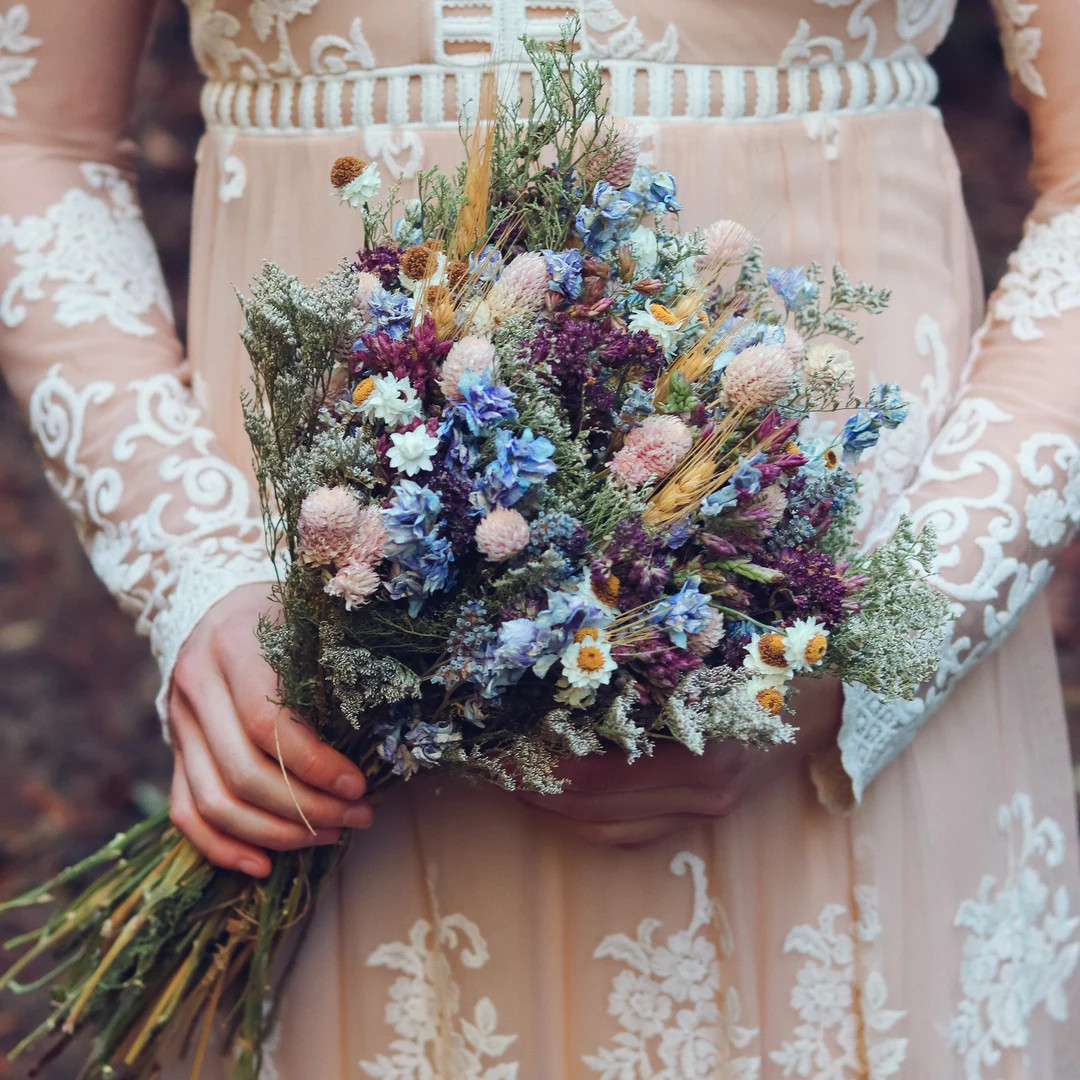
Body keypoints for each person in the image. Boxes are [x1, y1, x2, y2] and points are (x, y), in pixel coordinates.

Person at [3, 1, 1080, 1075]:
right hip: (329, 719)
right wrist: (199, 571)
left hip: (855, 677)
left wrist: (877, 643)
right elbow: (32, 142)